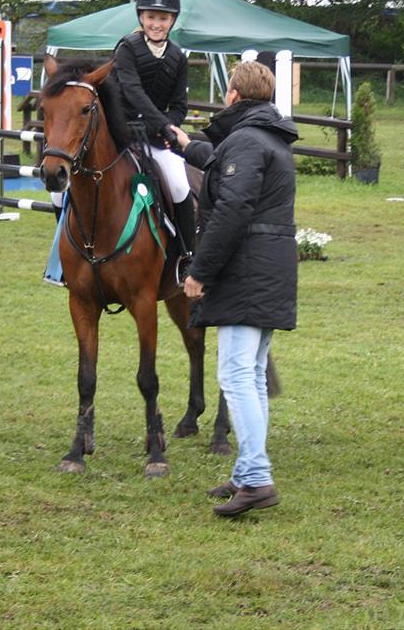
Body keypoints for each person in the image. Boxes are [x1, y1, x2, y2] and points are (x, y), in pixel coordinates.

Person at [170, 60, 298, 517]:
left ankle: (258, 478)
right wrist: (188, 146)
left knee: (237, 375)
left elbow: (231, 209)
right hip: (268, 267)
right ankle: (247, 472)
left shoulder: (245, 140)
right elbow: (229, 167)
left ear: (234, 96)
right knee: (253, 376)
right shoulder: (267, 138)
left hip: (247, 269)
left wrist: (200, 272)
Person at [114, 0, 196, 262]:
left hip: (154, 138)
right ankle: (64, 260)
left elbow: (180, 105)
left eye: (163, 18)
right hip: (120, 133)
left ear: (172, 20)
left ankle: (187, 257)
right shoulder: (126, 47)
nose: (156, 24)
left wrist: (168, 128)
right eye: (151, 17)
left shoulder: (178, 57)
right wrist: (163, 125)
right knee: (66, 189)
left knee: (178, 184)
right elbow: (133, 92)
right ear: (141, 17)